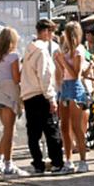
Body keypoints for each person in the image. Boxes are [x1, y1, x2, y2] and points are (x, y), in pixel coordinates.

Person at [20, 19, 67, 175]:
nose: (52, 36)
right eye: (52, 32)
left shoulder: (29, 49)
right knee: (51, 130)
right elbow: (45, 76)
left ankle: (38, 164)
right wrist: (51, 98)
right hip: (41, 95)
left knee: (33, 133)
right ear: (46, 31)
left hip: (28, 95)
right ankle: (57, 163)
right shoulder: (42, 51)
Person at [0, 27, 26, 176]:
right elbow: (16, 79)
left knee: (7, 130)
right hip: (9, 92)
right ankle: (8, 164)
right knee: (10, 131)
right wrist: (24, 67)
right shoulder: (13, 56)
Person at [55, 21, 90, 172]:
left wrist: (62, 60)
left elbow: (76, 74)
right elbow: (64, 72)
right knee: (64, 126)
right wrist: (59, 61)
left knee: (76, 127)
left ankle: (83, 161)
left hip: (75, 88)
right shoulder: (67, 50)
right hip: (65, 87)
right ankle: (69, 161)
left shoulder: (79, 50)